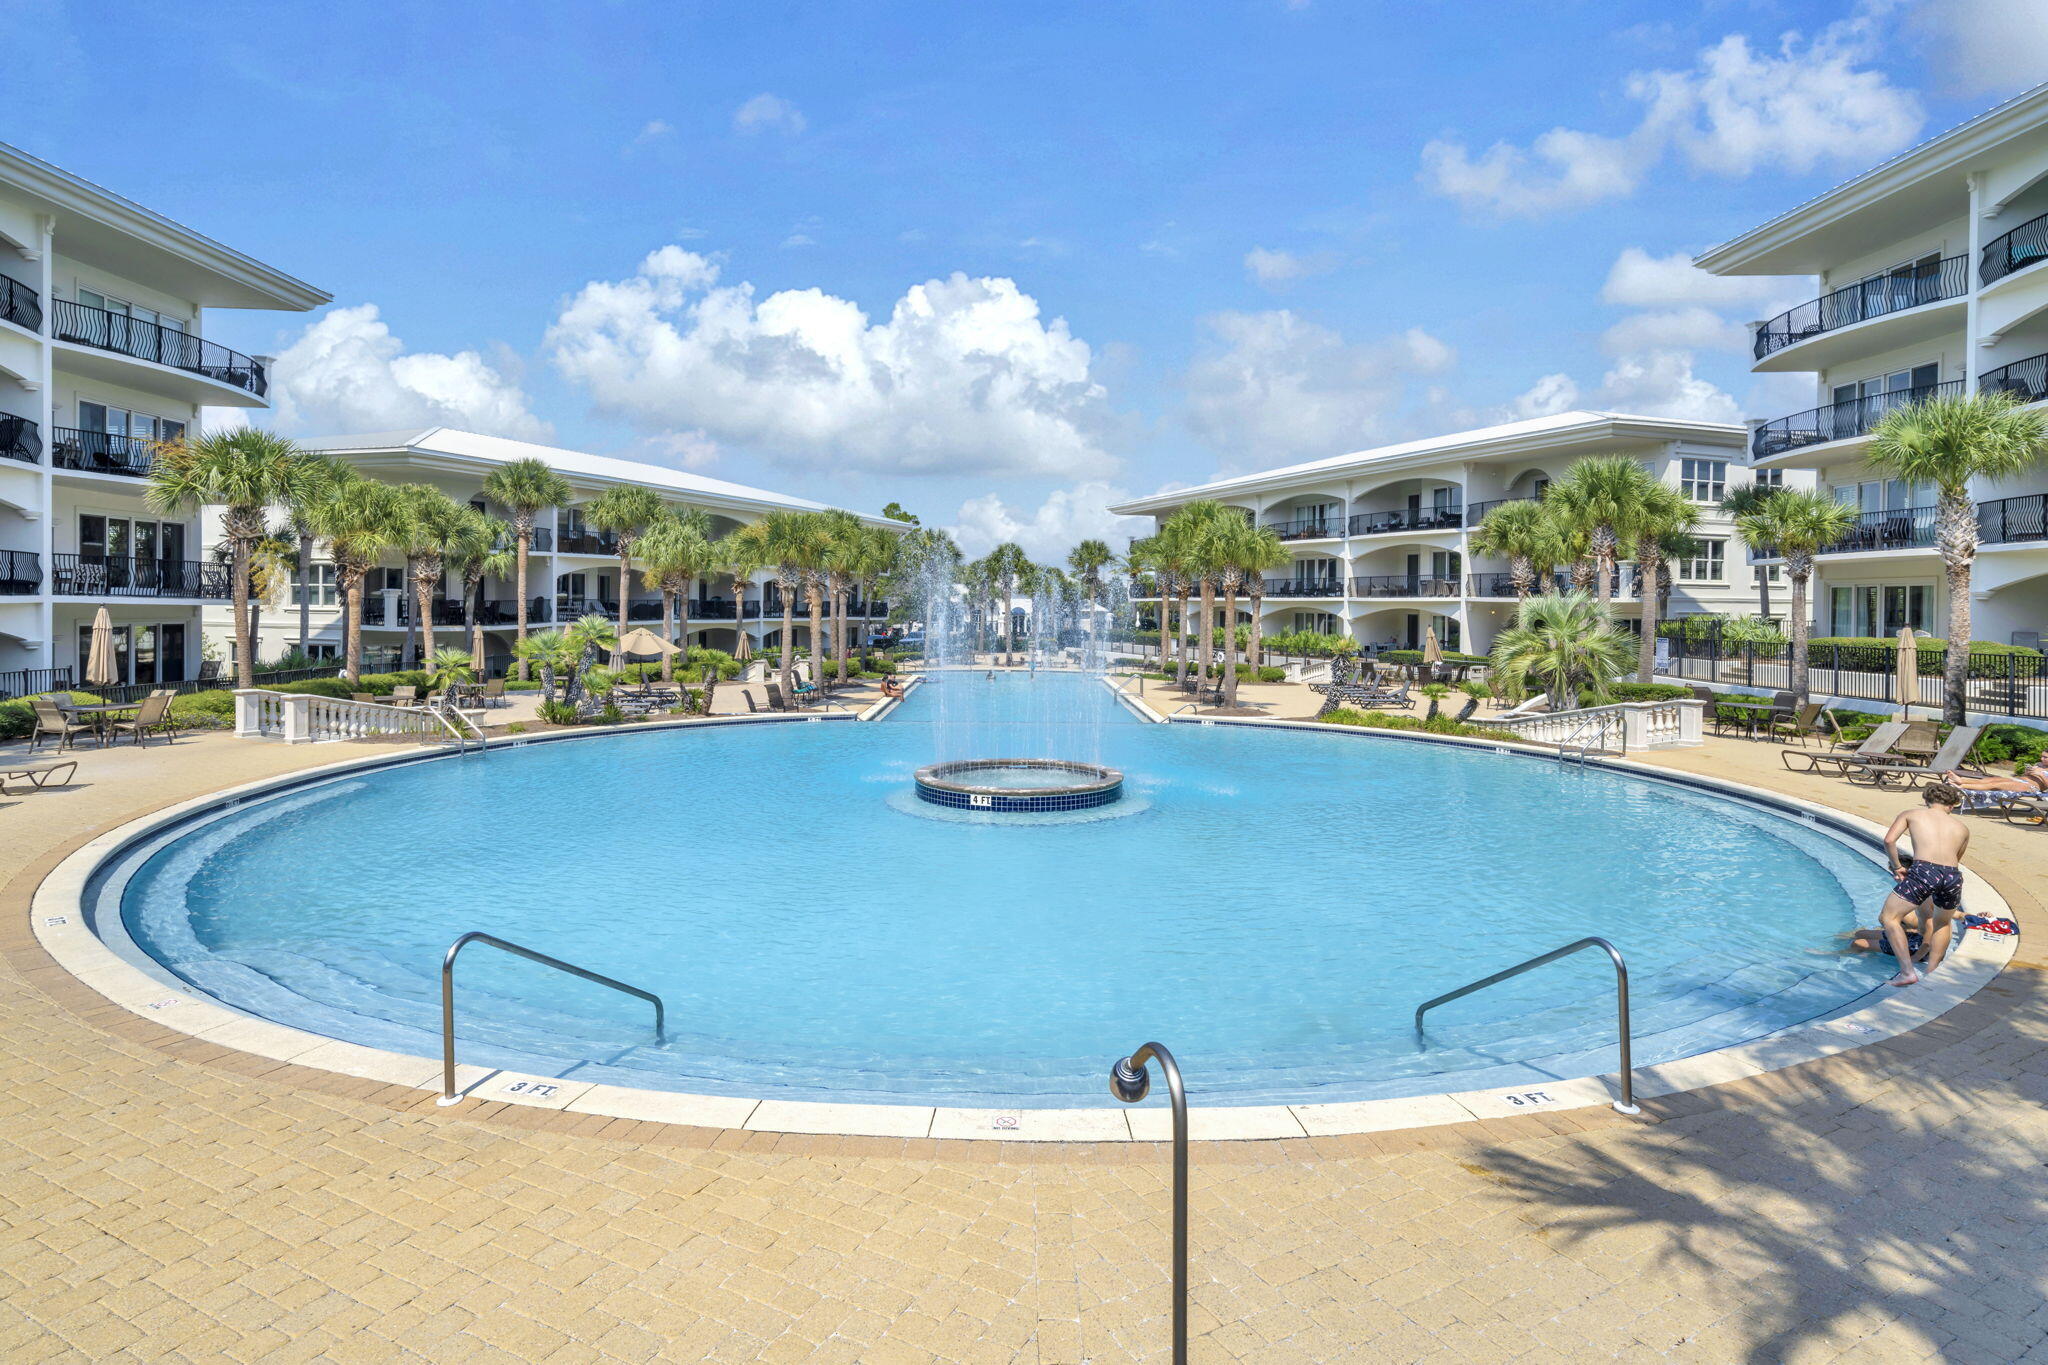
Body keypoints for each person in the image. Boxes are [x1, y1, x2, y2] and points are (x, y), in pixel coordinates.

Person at [1876, 782, 1971, 987]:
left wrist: (1897, 866)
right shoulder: (1962, 828)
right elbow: (1957, 857)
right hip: (1952, 875)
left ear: (1926, 800)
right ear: (1952, 805)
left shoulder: (1911, 814)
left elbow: (1889, 841)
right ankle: (1932, 973)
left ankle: (1907, 972)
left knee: (1889, 918)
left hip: (1925, 870)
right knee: (1943, 923)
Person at [1939, 760, 2048, 794]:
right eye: (2042, 756)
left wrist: (2039, 774)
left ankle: (1962, 786)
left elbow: (2045, 786)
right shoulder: (2039, 765)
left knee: (1995, 785)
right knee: (1990, 780)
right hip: (2021, 780)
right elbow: (2025, 775)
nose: (2042, 759)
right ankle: (1960, 780)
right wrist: (2028, 772)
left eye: (2045, 757)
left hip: (2031, 787)